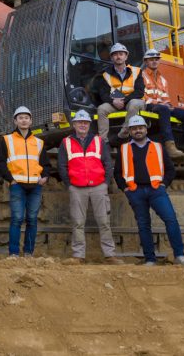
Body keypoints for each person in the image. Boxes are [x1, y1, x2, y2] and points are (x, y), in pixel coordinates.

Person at [114, 115, 184, 266]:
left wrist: (164, 183)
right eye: (134, 128)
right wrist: (125, 188)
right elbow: (117, 173)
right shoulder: (124, 149)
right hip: (135, 191)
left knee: (171, 220)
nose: (138, 131)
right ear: (130, 131)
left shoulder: (157, 147)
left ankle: (179, 255)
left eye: (140, 128)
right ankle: (150, 259)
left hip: (156, 190)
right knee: (143, 225)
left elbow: (170, 169)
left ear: (146, 129)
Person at [57, 109, 122, 264]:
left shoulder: (99, 141)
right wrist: (69, 184)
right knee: (78, 222)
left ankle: (109, 255)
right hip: (77, 187)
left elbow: (107, 163)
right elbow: (62, 165)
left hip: (98, 186)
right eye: (80, 122)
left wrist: (105, 183)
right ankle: (78, 255)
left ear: (89, 124)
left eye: (85, 122)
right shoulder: (66, 142)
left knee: (104, 221)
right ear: (74, 124)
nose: (83, 125)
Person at [134, 49, 184, 160]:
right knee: (164, 110)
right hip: (148, 105)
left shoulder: (163, 80)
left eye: (156, 59)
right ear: (146, 62)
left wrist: (168, 104)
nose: (154, 62)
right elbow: (142, 96)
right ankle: (170, 146)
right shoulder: (141, 76)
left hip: (161, 106)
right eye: (151, 60)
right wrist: (161, 105)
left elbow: (165, 97)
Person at [0, 105, 50, 257]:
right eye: (21, 118)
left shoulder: (39, 142)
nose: (24, 120)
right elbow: (0, 163)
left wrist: (45, 176)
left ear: (31, 121)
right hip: (17, 185)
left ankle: (28, 252)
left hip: (35, 186)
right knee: (17, 219)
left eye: (26, 117)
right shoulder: (7, 140)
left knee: (32, 219)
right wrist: (10, 179)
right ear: (15, 121)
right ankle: (13, 253)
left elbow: (45, 164)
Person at [93, 43, 145, 141]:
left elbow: (139, 92)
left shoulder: (137, 71)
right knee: (101, 109)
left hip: (133, 102)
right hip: (115, 103)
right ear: (112, 58)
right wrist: (113, 101)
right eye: (115, 54)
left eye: (121, 54)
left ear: (126, 56)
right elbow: (103, 94)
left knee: (134, 103)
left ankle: (124, 132)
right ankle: (102, 140)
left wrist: (124, 100)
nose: (118, 56)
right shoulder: (105, 74)